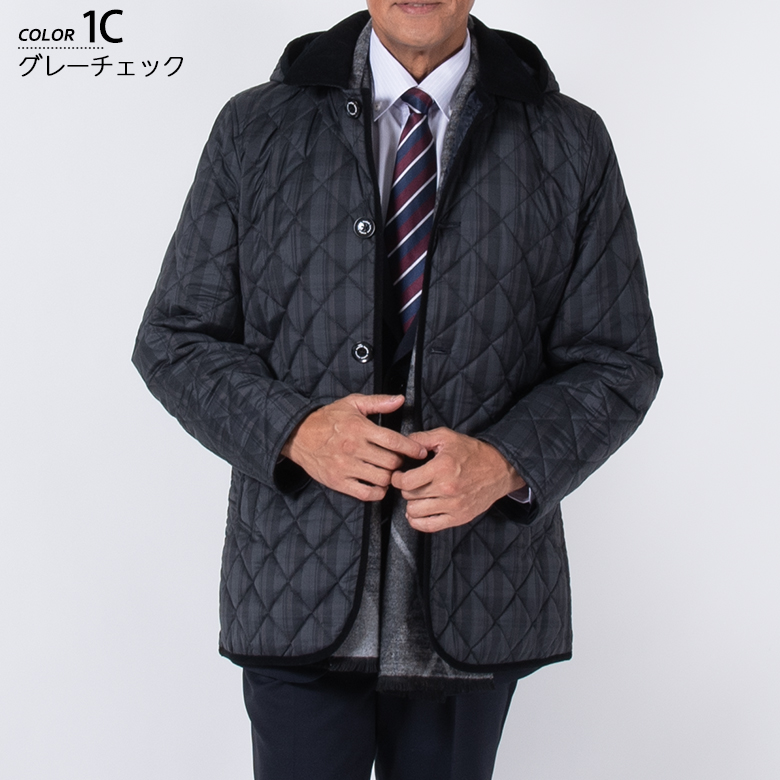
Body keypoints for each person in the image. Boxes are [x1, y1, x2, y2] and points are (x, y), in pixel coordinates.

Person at [132, 1, 662, 778]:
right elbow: (174, 338)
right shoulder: (257, 127)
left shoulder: (568, 140)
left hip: (476, 587)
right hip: (294, 582)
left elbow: (618, 361)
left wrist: (506, 463)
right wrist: (294, 431)